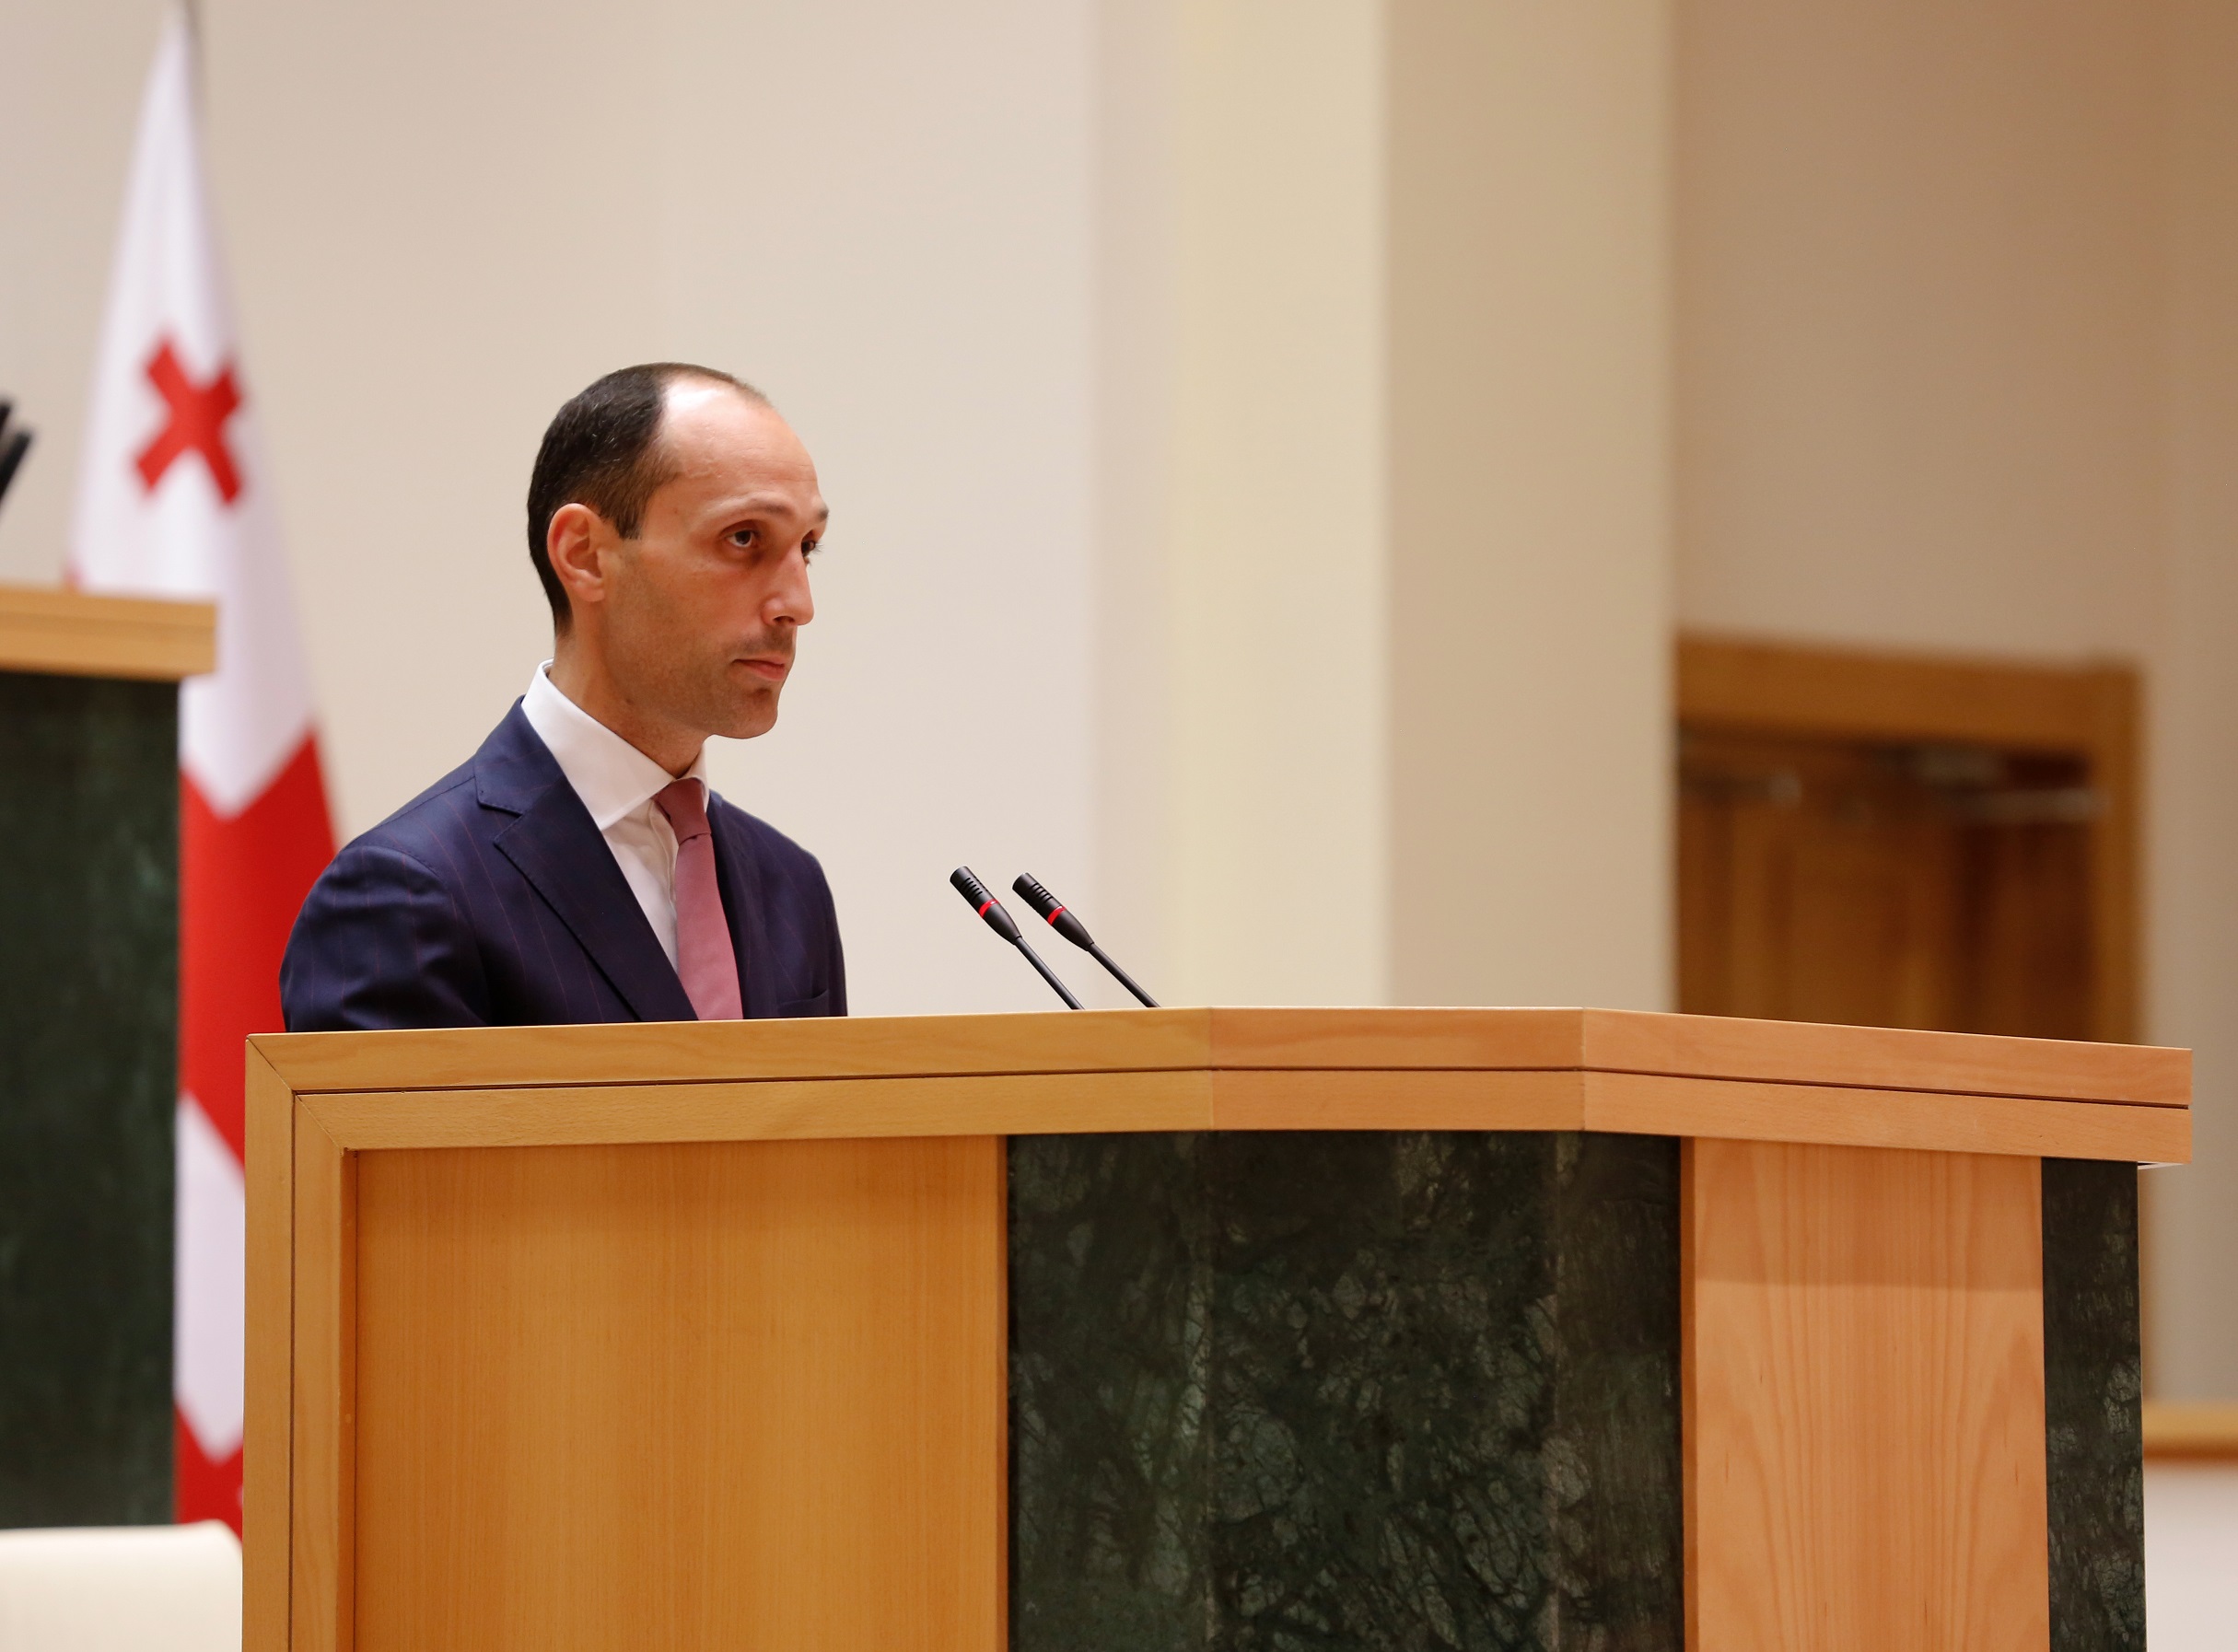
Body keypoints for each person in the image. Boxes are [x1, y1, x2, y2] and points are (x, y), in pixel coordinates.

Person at [280, 363, 845, 1030]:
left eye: (807, 547)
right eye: (744, 538)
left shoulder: (791, 886)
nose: (798, 604)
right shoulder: (405, 896)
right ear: (584, 555)